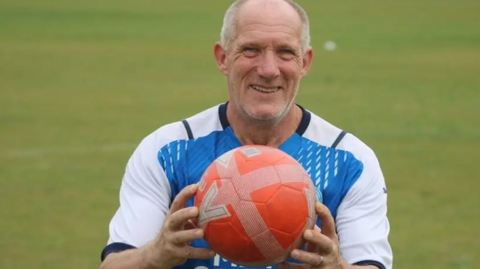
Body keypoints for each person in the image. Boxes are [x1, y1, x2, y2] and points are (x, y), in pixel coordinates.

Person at [99, 0, 393, 268]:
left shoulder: (350, 162)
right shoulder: (167, 150)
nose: (268, 69)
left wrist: (335, 267)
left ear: (305, 62)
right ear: (223, 57)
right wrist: (155, 255)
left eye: (285, 52)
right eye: (250, 49)